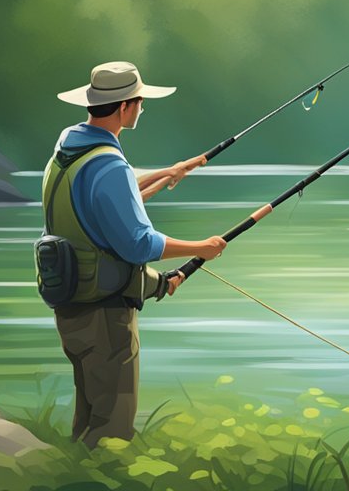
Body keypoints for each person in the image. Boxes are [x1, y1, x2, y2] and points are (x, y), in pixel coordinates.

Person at [44, 61, 227, 447]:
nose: (142, 107)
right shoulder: (107, 164)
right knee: (113, 428)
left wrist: (172, 171)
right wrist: (203, 249)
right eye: (140, 101)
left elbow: (101, 201)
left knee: (88, 415)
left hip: (71, 304)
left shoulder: (69, 150)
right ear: (126, 107)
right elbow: (138, 244)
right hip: (105, 314)